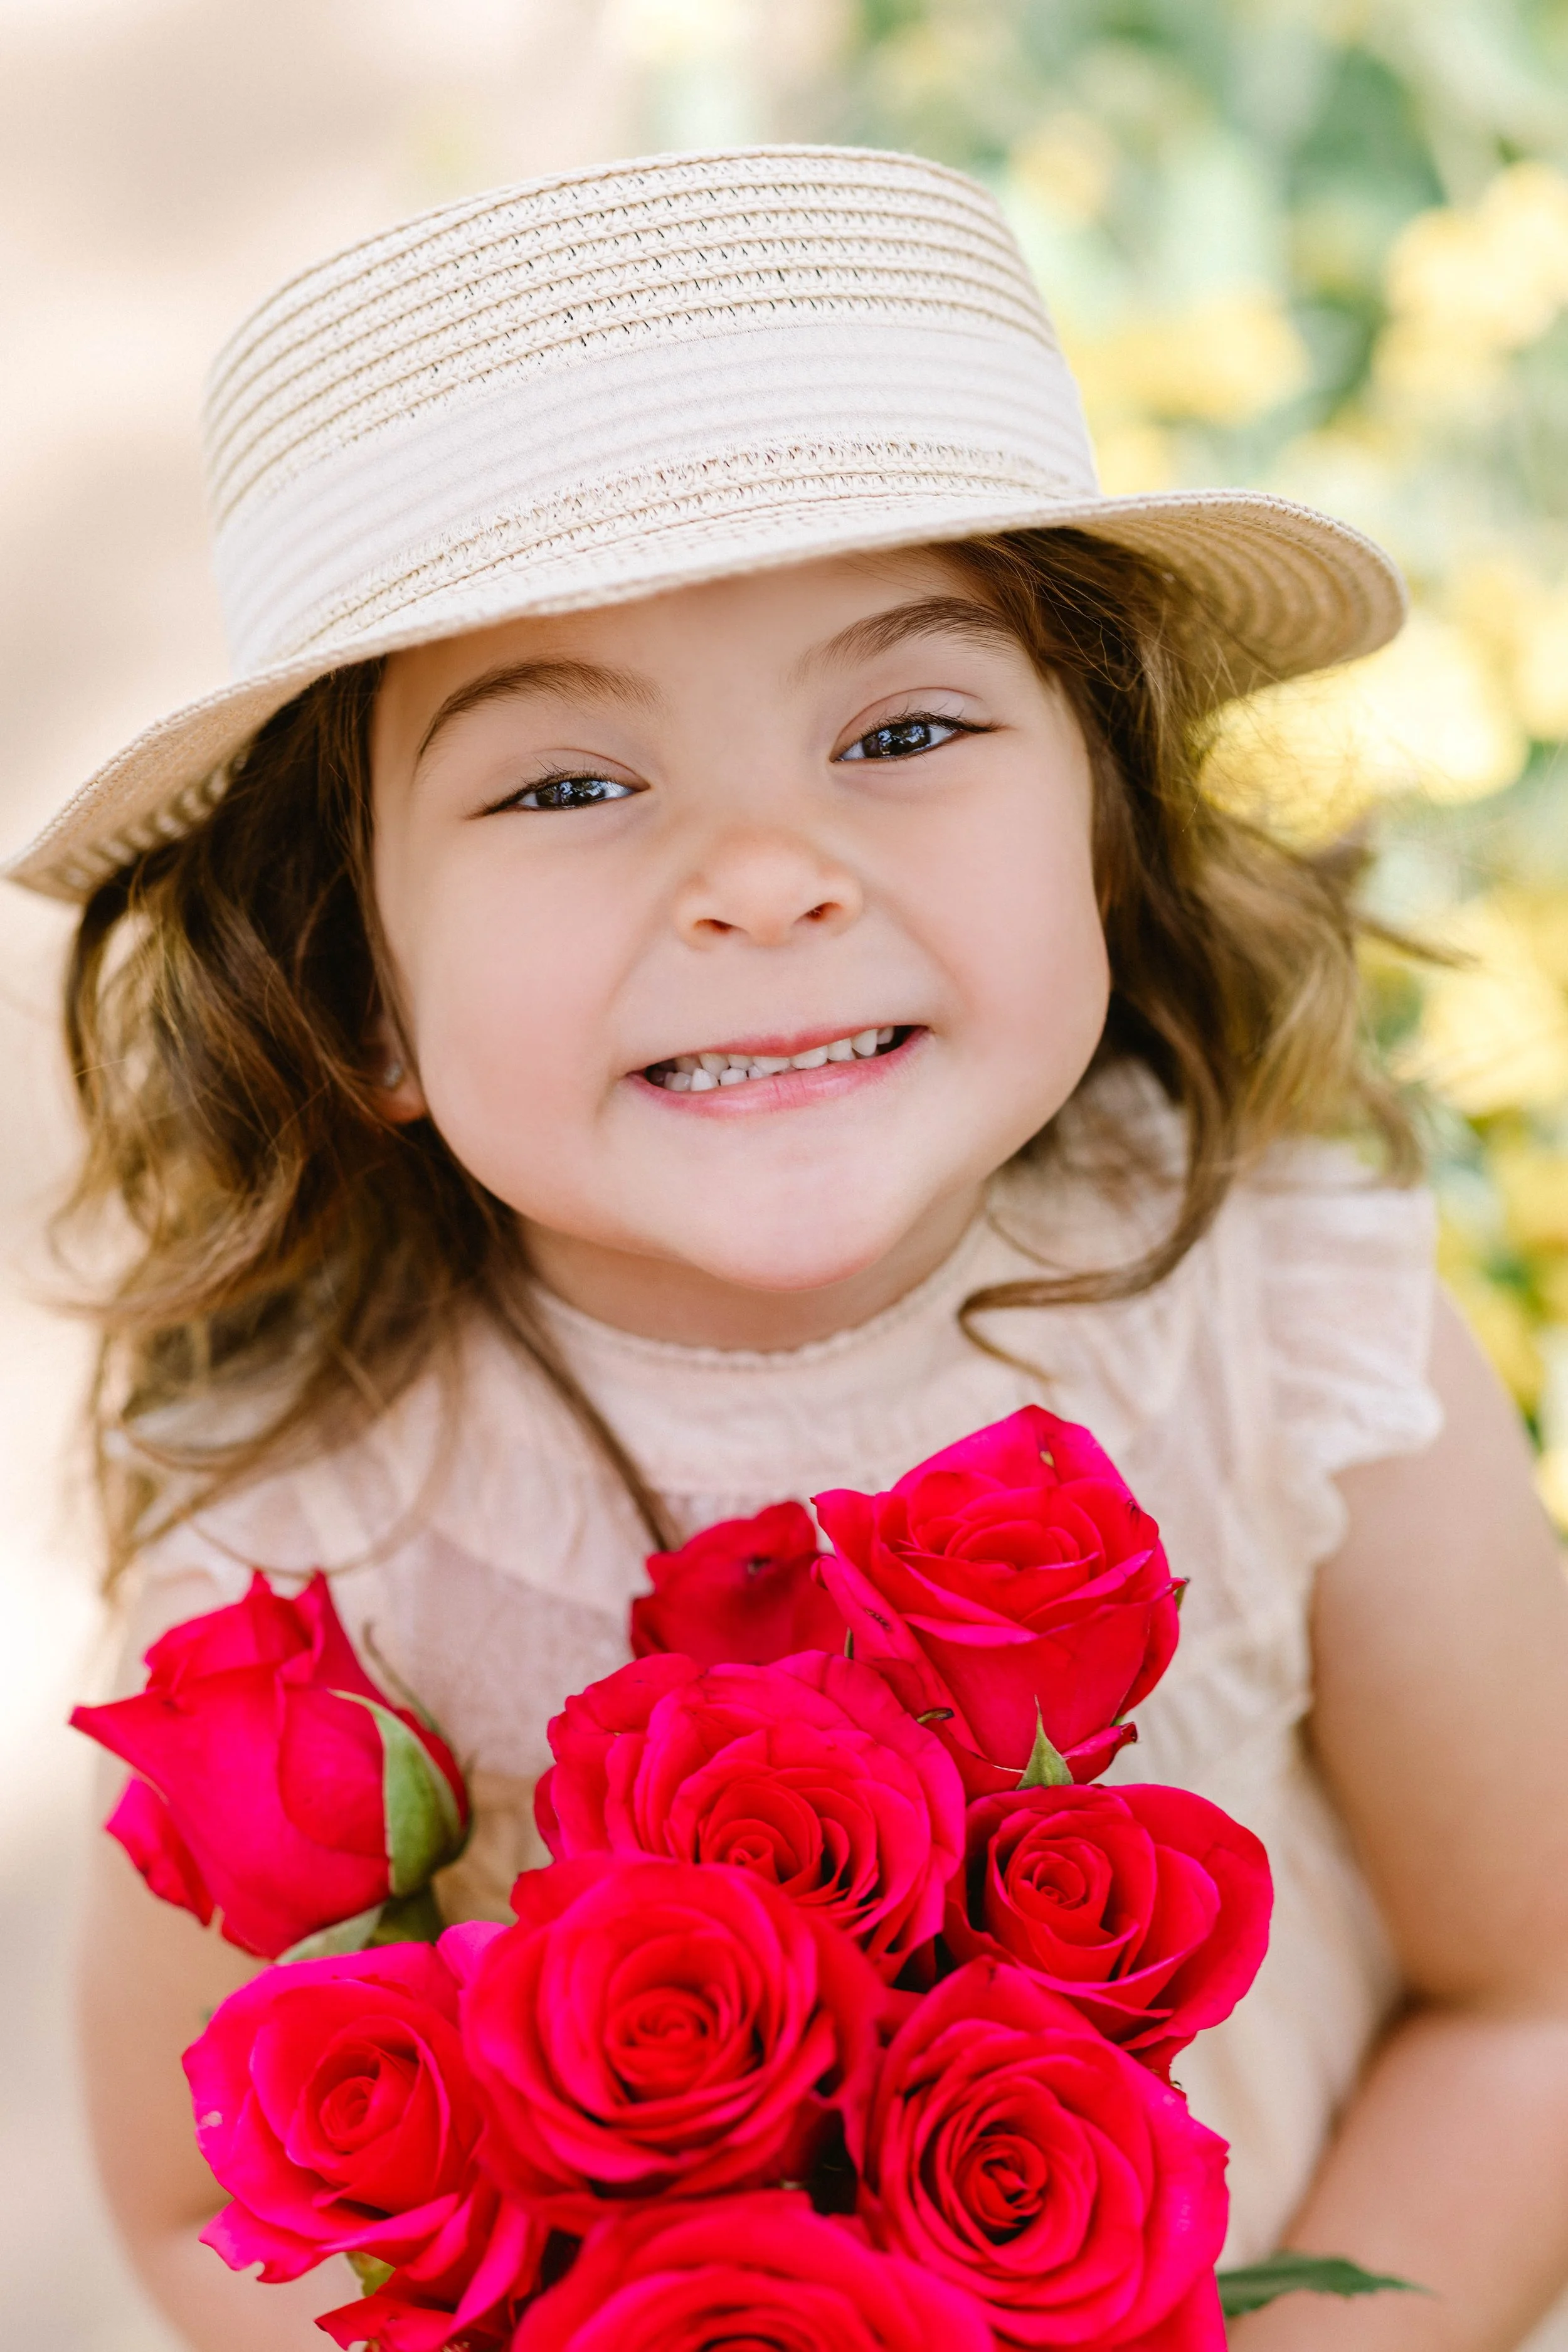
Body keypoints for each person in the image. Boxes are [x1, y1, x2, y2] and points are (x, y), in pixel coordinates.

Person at [18, 146, 1568, 2351]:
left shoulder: (1283, 1334)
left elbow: (1526, 2003)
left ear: (1106, 831)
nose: (767, 873)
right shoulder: (314, 1555)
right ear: (354, 986)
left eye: (906, 730)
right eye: (566, 784)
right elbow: (195, 2209)